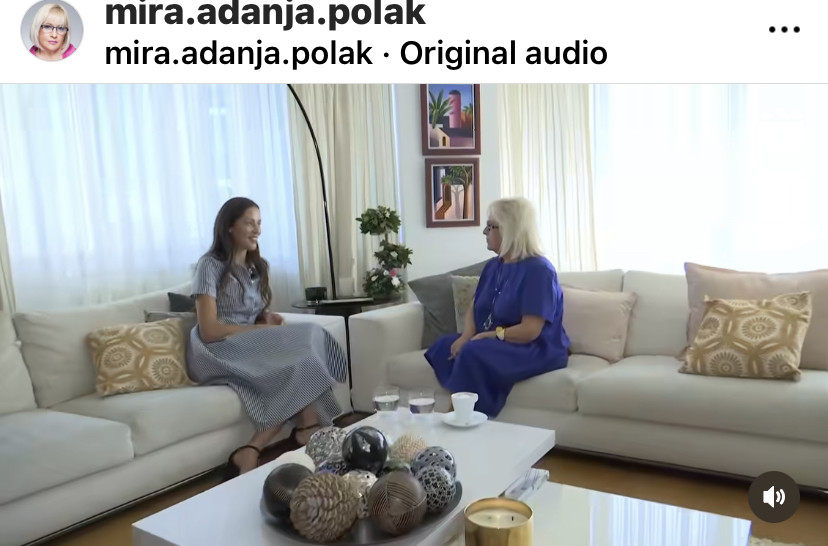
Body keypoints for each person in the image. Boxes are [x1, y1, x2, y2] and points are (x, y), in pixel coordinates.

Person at [187, 197, 347, 477]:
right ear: (229, 226)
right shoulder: (209, 266)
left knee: (303, 360)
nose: (257, 230)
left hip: (245, 343)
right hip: (215, 350)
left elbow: (253, 314)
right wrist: (260, 331)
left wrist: (267, 318)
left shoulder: (257, 267)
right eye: (249, 223)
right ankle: (307, 429)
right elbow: (209, 330)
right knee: (308, 334)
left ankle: (258, 446)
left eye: (259, 223)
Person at [424, 197, 570, 417]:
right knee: (445, 346)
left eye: (490, 226)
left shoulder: (539, 270)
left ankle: (458, 416)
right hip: (496, 340)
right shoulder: (494, 266)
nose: (485, 232)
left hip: (533, 347)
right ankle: (470, 400)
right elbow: (474, 304)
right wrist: (467, 335)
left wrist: (491, 336)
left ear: (510, 230)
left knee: (472, 352)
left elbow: (530, 330)